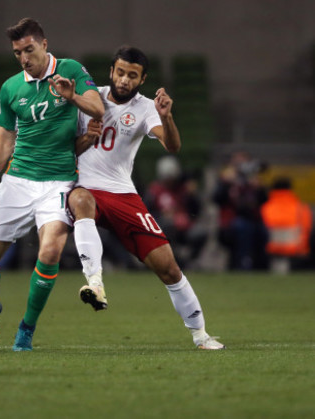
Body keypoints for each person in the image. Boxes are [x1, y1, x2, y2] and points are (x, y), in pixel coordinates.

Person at [68, 45, 225, 350]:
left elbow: (173, 146)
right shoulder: (89, 99)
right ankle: (95, 283)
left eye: (132, 75)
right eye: (121, 72)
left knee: (168, 267)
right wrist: (86, 137)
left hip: (123, 195)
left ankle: (200, 334)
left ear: (142, 80)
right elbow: (64, 147)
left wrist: (166, 118)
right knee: (80, 201)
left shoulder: (145, 108)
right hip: (84, 187)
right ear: (111, 71)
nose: (125, 80)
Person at [0, 18, 104, 351]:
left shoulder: (71, 70)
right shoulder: (10, 88)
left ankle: (26, 330)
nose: (24, 57)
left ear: (45, 44)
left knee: (50, 251)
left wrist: (72, 97)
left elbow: (98, 109)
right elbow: (5, 141)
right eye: (18, 52)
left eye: (29, 49)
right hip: (17, 180)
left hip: (58, 183)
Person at [143, 155, 207, 268]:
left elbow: (196, 210)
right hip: (163, 228)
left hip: (185, 226)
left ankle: (190, 261)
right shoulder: (154, 191)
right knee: (168, 226)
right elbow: (147, 213)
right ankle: (172, 261)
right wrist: (162, 215)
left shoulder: (184, 189)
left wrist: (193, 196)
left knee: (200, 233)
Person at [212, 151, 268, 270]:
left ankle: (260, 265)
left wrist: (259, 188)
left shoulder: (252, 182)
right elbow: (217, 198)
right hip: (231, 223)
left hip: (253, 221)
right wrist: (225, 184)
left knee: (262, 232)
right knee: (243, 228)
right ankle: (242, 263)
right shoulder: (227, 180)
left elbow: (263, 200)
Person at [260, 177, 312, 273]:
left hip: (271, 249)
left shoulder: (265, 208)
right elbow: (306, 230)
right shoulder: (301, 208)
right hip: (296, 250)